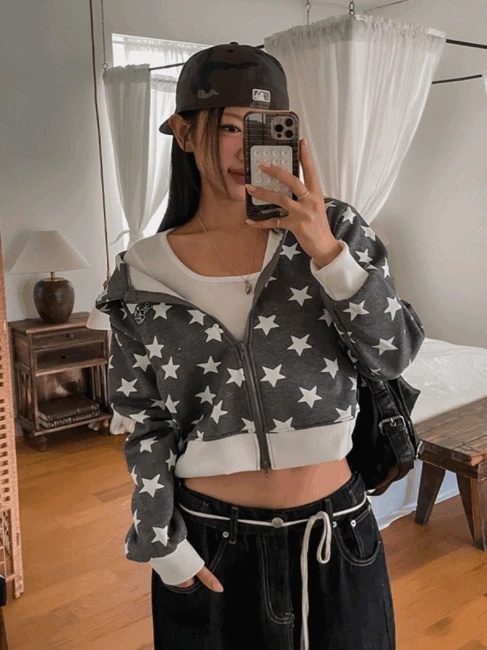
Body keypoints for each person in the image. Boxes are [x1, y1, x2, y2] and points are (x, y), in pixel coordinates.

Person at [97, 42, 425, 650]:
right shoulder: (140, 274)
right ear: (183, 133)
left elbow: (394, 352)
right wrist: (160, 542)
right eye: (229, 127)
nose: (246, 147)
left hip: (338, 535)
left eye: (265, 127)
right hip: (212, 547)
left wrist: (325, 250)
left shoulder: (336, 230)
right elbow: (144, 421)